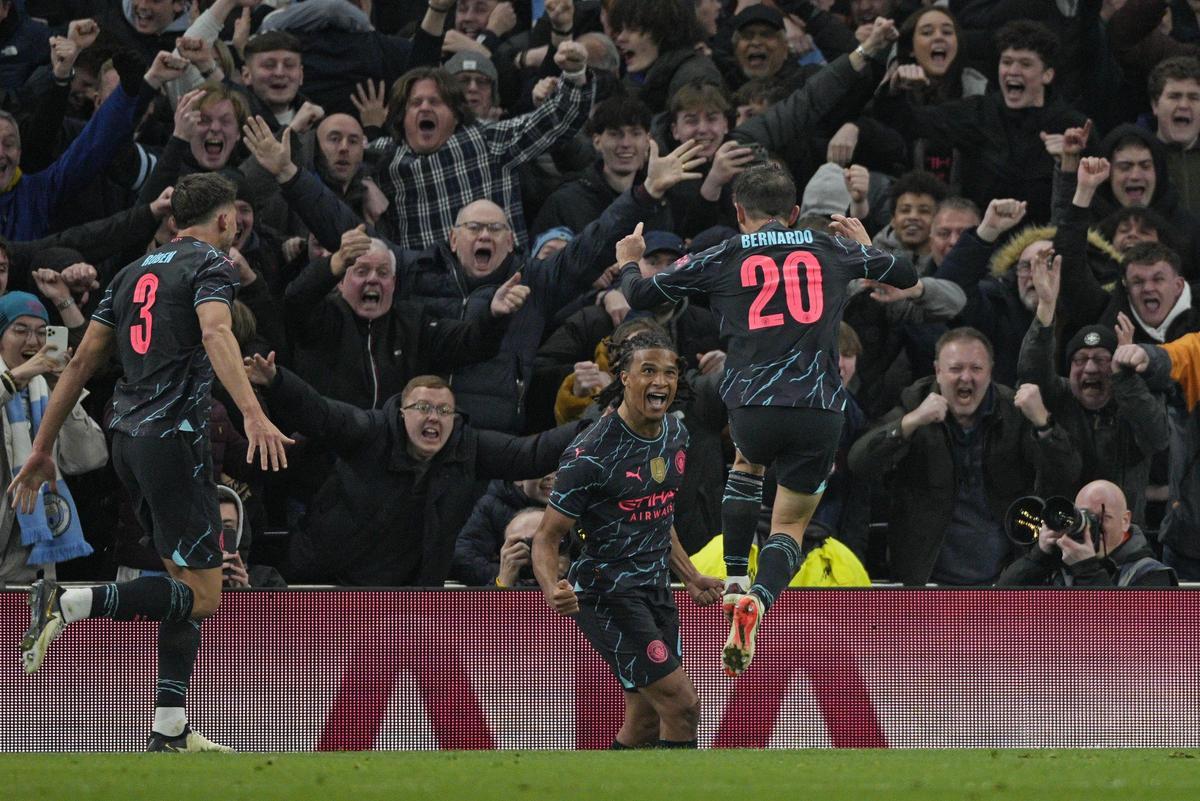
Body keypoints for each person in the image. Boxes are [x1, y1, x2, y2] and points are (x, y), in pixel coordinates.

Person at [12, 172, 293, 753]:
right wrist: (252, 413)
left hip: (130, 441)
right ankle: (71, 602)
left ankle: (170, 727)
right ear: (225, 219)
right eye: (235, 217)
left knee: (181, 582)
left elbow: (82, 361)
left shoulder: (131, 272)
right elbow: (217, 332)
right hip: (175, 440)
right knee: (207, 595)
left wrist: (42, 446)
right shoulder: (210, 264)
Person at [617, 164, 917, 675]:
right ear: (795, 211)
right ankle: (759, 595)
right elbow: (907, 276)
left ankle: (735, 581)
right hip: (820, 408)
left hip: (753, 404)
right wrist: (869, 247)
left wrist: (628, 262)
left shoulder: (724, 253)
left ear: (739, 212)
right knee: (791, 522)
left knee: (746, 468)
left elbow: (642, 296)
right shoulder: (832, 247)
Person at [531, 329, 723, 749]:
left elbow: (657, 513)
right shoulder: (591, 453)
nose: (661, 381)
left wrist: (690, 576)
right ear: (624, 378)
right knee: (682, 705)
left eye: (669, 372)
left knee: (645, 723)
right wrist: (550, 588)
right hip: (607, 593)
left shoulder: (676, 435)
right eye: (648, 370)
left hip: (654, 591)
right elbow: (546, 537)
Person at [245, 362, 580, 586]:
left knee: (436, 684)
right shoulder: (370, 431)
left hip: (414, 597)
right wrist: (277, 381)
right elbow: (320, 413)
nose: (433, 417)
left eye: (443, 410)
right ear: (402, 413)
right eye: (423, 408)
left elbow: (532, 454)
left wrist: (599, 422)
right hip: (333, 580)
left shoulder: (468, 447)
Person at [848, 327, 1081, 586]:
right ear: (937, 370)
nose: (966, 378)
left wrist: (1043, 422)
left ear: (990, 371)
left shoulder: (1014, 412)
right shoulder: (915, 403)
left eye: (976, 369)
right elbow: (859, 463)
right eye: (956, 369)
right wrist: (910, 423)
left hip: (1007, 579)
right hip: (928, 582)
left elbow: (1068, 472)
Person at [1017, 248, 1169, 525]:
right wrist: (1046, 310)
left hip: (1122, 537)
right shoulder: (1058, 395)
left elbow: (1158, 436)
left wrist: (1125, 375)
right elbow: (1032, 372)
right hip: (1058, 532)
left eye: (1101, 360)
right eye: (1080, 360)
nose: (1090, 368)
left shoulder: (1134, 399)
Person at [0, 293, 107, 583]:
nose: (33, 342)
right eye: (20, 330)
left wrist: (65, 390)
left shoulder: (46, 391)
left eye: (41, 332)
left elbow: (90, 457)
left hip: (34, 558)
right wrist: (15, 378)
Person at [995, 480, 1177, 587]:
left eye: (1102, 518)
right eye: (1083, 516)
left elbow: (1125, 639)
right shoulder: (1058, 563)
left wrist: (1087, 570)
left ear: (1125, 521)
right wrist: (1038, 556)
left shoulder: (1152, 574)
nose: (1092, 526)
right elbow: (996, 607)